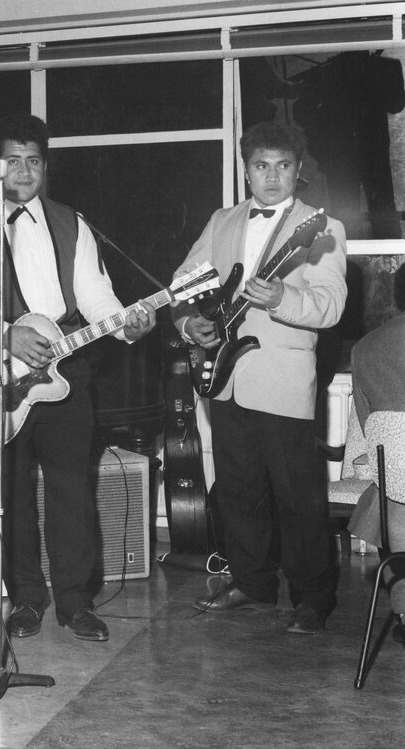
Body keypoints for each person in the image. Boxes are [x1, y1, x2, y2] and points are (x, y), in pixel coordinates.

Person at [0, 114, 156, 643]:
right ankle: (26, 600)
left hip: (65, 372)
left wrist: (126, 325)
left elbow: (96, 296)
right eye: (14, 160)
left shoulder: (71, 222)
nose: (25, 171)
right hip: (0, 378)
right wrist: (5, 334)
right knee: (7, 495)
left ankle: (75, 602)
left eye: (34, 160)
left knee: (72, 491)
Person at [175, 121, 347, 634]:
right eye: (261, 166)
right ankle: (252, 584)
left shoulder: (325, 229)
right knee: (237, 491)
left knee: (298, 498)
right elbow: (183, 283)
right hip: (224, 376)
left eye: (283, 166)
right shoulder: (222, 220)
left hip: (283, 380)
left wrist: (283, 300)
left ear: (299, 171)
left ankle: (313, 598)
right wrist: (191, 322)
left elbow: (331, 305)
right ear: (245, 169)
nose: (272, 177)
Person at [348, 262, 405, 631]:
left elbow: (371, 426)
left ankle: (403, 607)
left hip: (399, 484)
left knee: (387, 498)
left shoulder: (365, 348)